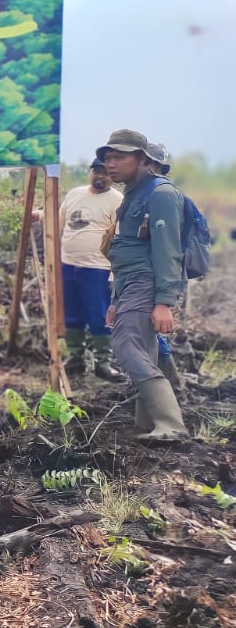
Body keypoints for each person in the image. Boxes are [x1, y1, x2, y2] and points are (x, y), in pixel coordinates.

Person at [98, 129, 188, 441]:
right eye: (108, 157)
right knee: (146, 352)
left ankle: (170, 424)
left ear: (143, 159)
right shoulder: (132, 195)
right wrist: (115, 298)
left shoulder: (160, 194)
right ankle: (147, 423)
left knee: (126, 345)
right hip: (130, 282)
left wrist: (164, 301)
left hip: (146, 281)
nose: (110, 163)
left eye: (119, 156)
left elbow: (168, 251)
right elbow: (124, 250)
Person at [59, 158, 125, 382]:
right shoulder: (75, 194)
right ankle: (75, 357)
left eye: (106, 173)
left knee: (99, 315)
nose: (101, 177)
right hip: (68, 264)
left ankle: (102, 363)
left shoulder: (117, 201)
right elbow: (59, 222)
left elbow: (121, 237)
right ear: (91, 172)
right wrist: (38, 215)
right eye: (98, 172)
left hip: (98, 268)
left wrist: (117, 272)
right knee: (72, 313)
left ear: (112, 177)